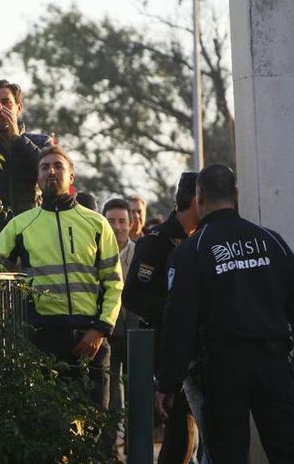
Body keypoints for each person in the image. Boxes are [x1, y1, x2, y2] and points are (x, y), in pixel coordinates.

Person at [156, 165, 294, 463]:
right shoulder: (271, 241)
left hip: (222, 369)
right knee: (290, 452)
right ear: (237, 194)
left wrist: (168, 382)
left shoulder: (191, 251)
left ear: (199, 196)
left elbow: (178, 321)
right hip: (273, 364)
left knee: (228, 454)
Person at [0, 146, 122, 408]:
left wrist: (100, 329)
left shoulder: (97, 223)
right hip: (43, 338)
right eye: (45, 167)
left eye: (58, 166)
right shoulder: (20, 225)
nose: (51, 171)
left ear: (71, 176)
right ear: (38, 178)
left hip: (91, 338)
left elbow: (114, 283)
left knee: (97, 422)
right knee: (48, 421)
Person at [123, 172, 201, 464]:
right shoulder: (156, 242)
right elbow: (133, 296)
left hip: (202, 346)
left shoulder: (203, 239)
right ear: (196, 200)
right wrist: (176, 310)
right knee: (180, 433)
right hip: (170, 347)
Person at [0, 80, 53, 250]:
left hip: (32, 235)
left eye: (6, 102)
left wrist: (18, 140)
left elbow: (47, 173)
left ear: (18, 107)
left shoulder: (41, 142)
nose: (0, 108)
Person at [101, 198, 140, 417]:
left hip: (137, 333)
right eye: (111, 221)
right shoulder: (96, 255)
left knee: (139, 391)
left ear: (131, 223)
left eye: (122, 221)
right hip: (108, 332)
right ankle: (112, 438)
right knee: (111, 394)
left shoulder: (141, 254)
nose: (117, 227)